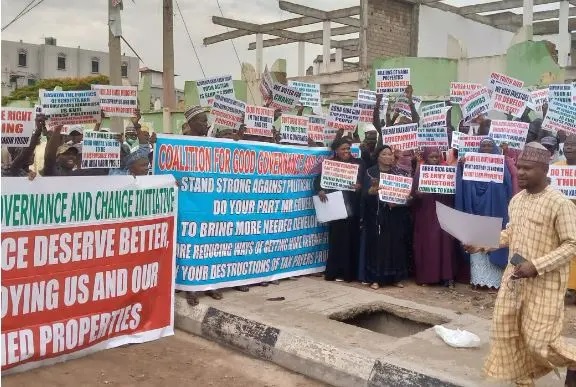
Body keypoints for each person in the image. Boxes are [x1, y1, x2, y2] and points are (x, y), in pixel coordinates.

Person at [466, 142, 576, 387]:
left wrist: (536, 265)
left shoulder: (560, 204)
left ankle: (574, 362)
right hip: (514, 280)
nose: (521, 173)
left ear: (544, 170)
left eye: (528, 168)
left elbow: (572, 244)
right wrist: (481, 242)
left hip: (544, 283)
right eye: (519, 167)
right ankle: (523, 382)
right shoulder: (517, 200)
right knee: (510, 333)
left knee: (540, 341)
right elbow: (511, 233)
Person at [455, 137, 516, 289]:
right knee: (476, 240)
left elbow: (508, 186)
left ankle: (494, 283)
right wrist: (462, 167)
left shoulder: (501, 164)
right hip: (474, 210)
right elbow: (463, 184)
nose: (487, 148)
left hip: (496, 210)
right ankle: (478, 280)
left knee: (495, 240)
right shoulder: (469, 164)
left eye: (490, 145)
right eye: (484, 146)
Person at [361, 145, 412, 289]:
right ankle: (376, 279)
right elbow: (364, 196)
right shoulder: (370, 173)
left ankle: (396, 278)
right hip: (377, 216)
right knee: (378, 247)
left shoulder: (399, 173)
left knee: (396, 245)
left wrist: (405, 200)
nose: (388, 157)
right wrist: (371, 192)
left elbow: (407, 196)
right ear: (378, 156)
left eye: (390, 154)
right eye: (384, 154)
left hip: (396, 215)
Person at [315, 136, 363, 282]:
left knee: (353, 239)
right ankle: (336, 272)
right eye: (343, 149)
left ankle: (350, 274)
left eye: (348, 148)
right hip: (336, 208)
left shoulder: (358, 163)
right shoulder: (330, 164)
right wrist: (320, 190)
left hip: (353, 207)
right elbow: (318, 181)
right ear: (336, 150)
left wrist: (359, 186)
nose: (346, 151)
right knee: (337, 240)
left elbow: (363, 183)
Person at [411, 147, 459, 287]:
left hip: (444, 210)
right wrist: (418, 194)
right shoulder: (421, 171)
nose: (435, 160)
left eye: (437, 157)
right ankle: (428, 276)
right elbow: (413, 194)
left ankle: (447, 276)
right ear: (426, 158)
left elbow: (454, 191)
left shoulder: (447, 170)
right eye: (432, 157)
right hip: (426, 213)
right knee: (428, 244)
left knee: (445, 244)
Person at [555, 134, 576, 301]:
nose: (569, 147)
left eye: (573, 145)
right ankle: (565, 287)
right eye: (567, 144)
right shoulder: (555, 168)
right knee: (562, 252)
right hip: (561, 218)